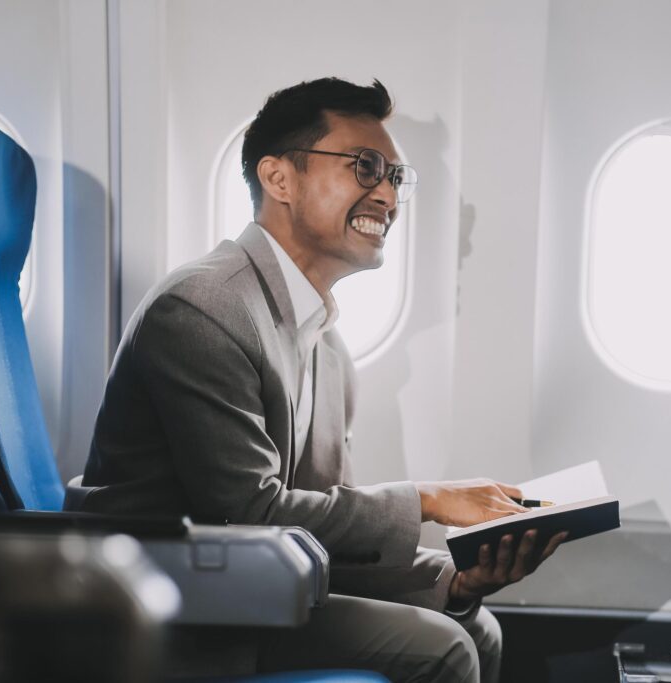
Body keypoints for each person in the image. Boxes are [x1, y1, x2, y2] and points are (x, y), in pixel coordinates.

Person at [71, 77, 566, 682]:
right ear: (279, 179)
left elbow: (321, 528)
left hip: (257, 583)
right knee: (444, 649)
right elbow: (249, 516)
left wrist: (454, 580)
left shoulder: (327, 343)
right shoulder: (202, 307)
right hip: (171, 602)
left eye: (394, 178)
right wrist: (429, 498)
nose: (386, 194)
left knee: (474, 623)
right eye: (366, 166)